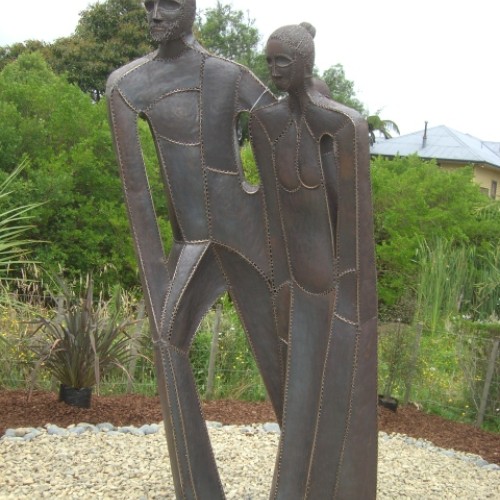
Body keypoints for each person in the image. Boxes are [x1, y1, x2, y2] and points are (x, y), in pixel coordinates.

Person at [106, 2, 287, 498]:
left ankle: (308, 476)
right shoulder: (128, 85)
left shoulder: (229, 75)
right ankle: (197, 488)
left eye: (168, 4)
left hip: (246, 232)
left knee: (281, 357)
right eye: (149, 4)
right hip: (194, 242)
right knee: (169, 344)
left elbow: (283, 134)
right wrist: (155, 280)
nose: (155, 14)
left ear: (190, 8)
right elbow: (138, 196)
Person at [249, 23, 378, 499]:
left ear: (305, 62)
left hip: (336, 287)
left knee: (339, 400)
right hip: (298, 286)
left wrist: (353, 304)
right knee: (300, 400)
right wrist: (279, 285)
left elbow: (354, 227)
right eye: (269, 61)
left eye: (283, 61)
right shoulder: (264, 124)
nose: (274, 70)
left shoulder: (342, 125)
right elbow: (272, 217)